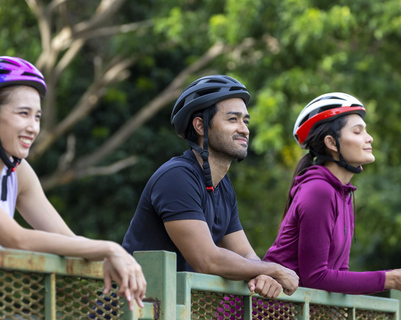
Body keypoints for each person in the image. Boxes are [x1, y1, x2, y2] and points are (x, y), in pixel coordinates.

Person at [0, 56, 146, 311]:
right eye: (23, 114)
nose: (33, 127)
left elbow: (67, 241)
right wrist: (110, 248)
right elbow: (15, 238)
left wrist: (103, 254)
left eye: (37, 117)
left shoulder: (18, 173)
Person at [122, 75, 299, 299]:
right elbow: (207, 259)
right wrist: (271, 269)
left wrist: (261, 275)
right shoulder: (176, 177)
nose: (244, 129)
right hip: (126, 310)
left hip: (166, 310)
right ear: (200, 126)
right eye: (233, 119)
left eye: (246, 121)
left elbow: (245, 253)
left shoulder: (223, 186)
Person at [264, 92, 401, 295]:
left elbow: (339, 273)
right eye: (357, 132)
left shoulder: (343, 194)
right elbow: (316, 277)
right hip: (261, 311)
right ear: (332, 143)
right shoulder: (318, 191)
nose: (369, 138)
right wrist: (391, 279)